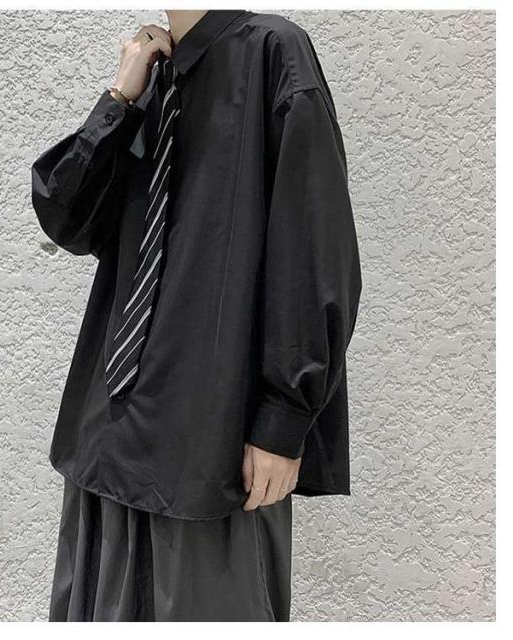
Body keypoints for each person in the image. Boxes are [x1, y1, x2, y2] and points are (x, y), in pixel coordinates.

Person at [31, 9, 362, 622]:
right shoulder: (152, 79)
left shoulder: (274, 53)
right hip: (107, 441)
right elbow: (67, 218)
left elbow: (316, 246)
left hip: (211, 453)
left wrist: (284, 416)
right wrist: (120, 97)